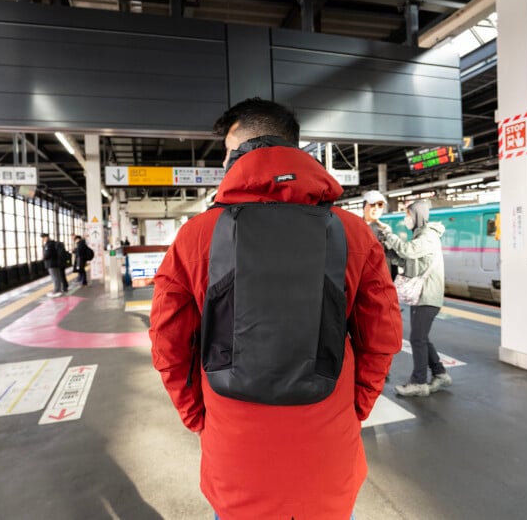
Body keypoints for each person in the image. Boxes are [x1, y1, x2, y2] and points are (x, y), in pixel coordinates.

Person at [149, 97, 403, 520]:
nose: (224, 162)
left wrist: (197, 416)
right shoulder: (354, 234)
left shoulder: (196, 236)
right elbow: (381, 339)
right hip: (328, 456)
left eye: (226, 152)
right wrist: (354, 408)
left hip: (235, 457)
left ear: (240, 150)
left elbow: (168, 345)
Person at [378, 199, 452, 397]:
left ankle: (419, 382)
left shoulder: (427, 237)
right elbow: (408, 262)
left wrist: (390, 235)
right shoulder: (420, 235)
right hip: (421, 296)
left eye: (408, 214)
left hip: (427, 296)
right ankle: (440, 373)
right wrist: (388, 251)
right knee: (422, 337)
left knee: (417, 339)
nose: (406, 218)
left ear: (417, 215)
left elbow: (408, 251)